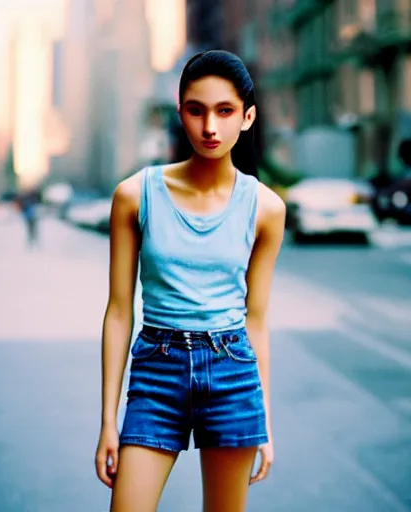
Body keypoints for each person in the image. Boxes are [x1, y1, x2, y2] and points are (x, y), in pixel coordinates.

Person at [95, 50, 286, 512]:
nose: (210, 128)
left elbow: (256, 321)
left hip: (231, 373)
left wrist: (264, 420)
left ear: (248, 116)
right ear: (179, 112)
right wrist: (107, 421)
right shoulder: (134, 195)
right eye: (196, 110)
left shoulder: (265, 208)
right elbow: (120, 310)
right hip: (157, 371)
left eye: (225, 111)